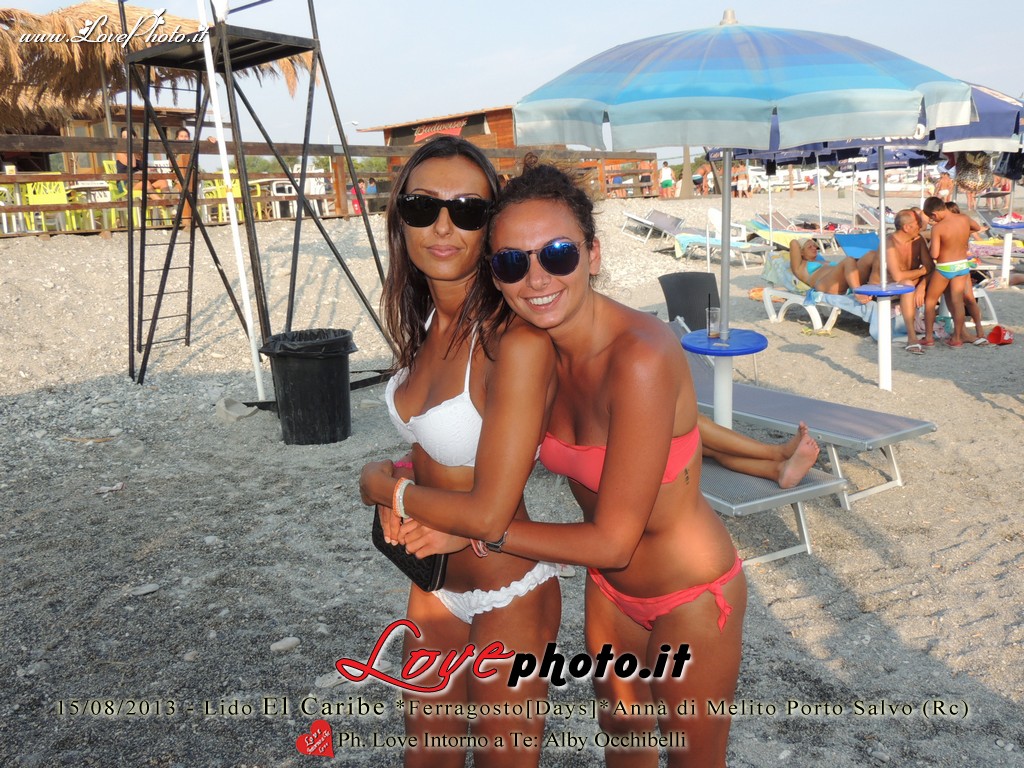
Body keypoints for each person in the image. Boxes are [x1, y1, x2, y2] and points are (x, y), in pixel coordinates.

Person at [360, 135, 560, 768]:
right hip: (435, 582)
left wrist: (383, 487)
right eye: (423, 207)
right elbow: (442, 449)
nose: (443, 226)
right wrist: (403, 477)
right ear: (400, 220)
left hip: (508, 587)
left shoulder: (511, 342)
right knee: (427, 756)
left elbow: (490, 511)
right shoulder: (427, 322)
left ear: (490, 228)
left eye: (468, 211)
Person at [921, 196, 986, 347]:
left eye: (932, 218)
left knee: (930, 301)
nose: (933, 221)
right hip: (962, 266)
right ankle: (957, 338)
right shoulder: (964, 218)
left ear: (934, 214)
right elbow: (977, 228)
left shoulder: (938, 228)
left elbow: (935, 254)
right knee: (958, 303)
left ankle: (928, 337)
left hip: (946, 267)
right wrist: (963, 234)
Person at [788, 238, 875, 303]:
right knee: (849, 260)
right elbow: (793, 243)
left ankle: (876, 288)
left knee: (871, 255)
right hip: (824, 285)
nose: (814, 248)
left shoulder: (822, 261)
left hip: (847, 282)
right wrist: (806, 239)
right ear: (801, 252)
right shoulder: (800, 267)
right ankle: (858, 293)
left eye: (814, 246)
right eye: (809, 247)